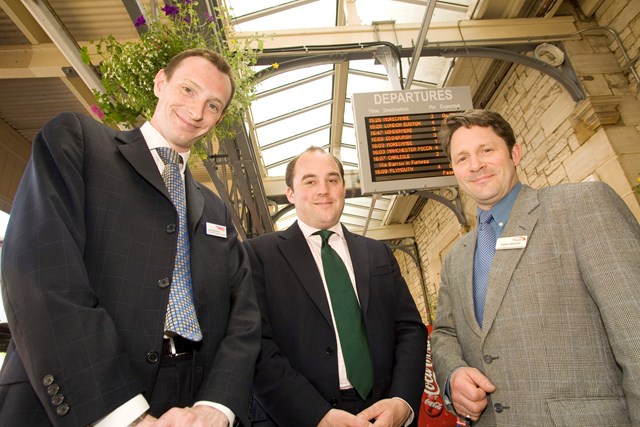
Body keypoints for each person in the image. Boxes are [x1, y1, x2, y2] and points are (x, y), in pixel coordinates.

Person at [0, 48, 261, 427]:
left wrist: (216, 405)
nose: (197, 110)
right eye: (188, 90)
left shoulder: (215, 209)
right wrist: (125, 415)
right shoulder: (79, 142)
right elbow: (41, 271)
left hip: (188, 402)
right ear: (160, 82)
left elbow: (244, 316)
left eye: (213, 104)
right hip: (87, 393)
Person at [430, 109, 640, 425]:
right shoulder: (456, 258)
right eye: (462, 158)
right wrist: (453, 373)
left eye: (486, 150)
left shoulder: (581, 205)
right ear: (454, 170)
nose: (475, 165)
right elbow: (445, 332)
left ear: (515, 152)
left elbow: (633, 327)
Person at [244, 147, 427, 427]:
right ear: (290, 193)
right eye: (310, 181)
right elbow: (256, 344)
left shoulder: (378, 253)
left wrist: (402, 401)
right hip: (300, 416)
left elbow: (409, 329)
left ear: (343, 188)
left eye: (332, 180)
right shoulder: (258, 256)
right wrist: (315, 415)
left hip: (382, 413)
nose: (323, 190)